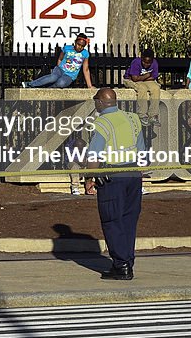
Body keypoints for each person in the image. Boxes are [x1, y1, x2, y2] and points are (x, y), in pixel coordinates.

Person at [83, 88, 144, 281]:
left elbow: (94, 156)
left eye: (95, 100)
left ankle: (122, 265)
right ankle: (128, 260)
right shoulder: (133, 118)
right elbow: (141, 150)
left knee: (112, 220)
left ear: (100, 102)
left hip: (113, 178)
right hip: (133, 175)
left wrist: (89, 178)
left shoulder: (102, 122)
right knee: (128, 220)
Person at [23, 34, 94, 89]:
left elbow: (86, 69)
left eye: (82, 46)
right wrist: (59, 68)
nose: (80, 47)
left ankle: (49, 89)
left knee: (61, 83)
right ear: (75, 42)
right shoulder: (67, 48)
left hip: (70, 75)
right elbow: (60, 58)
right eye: (78, 44)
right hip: (60, 69)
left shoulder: (85, 54)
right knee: (53, 77)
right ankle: (30, 84)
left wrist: (89, 86)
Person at [124, 49, 161, 126]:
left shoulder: (155, 63)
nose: (146, 64)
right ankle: (142, 115)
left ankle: (153, 115)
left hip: (145, 80)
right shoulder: (136, 62)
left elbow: (153, 77)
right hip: (130, 80)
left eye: (148, 63)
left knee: (156, 88)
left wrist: (142, 78)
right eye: (144, 62)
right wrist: (147, 75)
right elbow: (134, 78)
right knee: (142, 89)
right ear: (141, 58)